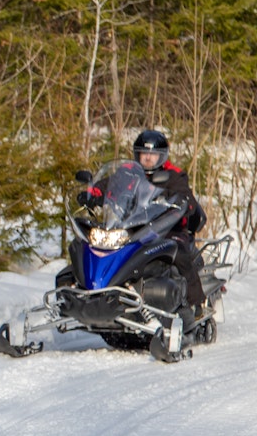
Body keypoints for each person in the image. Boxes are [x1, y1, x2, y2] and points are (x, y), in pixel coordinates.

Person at [79, 129, 207, 325]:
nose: (147, 158)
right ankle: (91, 294)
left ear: (161, 156)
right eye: (143, 153)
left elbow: (186, 197)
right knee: (94, 245)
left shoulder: (173, 175)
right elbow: (107, 185)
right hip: (131, 225)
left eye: (152, 154)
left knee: (179, 253)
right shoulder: (128, 171)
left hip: (169, 228)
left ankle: (197, 304)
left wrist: (180, 201)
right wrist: (92, 194)